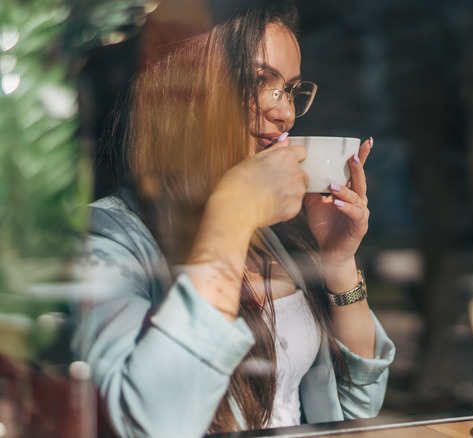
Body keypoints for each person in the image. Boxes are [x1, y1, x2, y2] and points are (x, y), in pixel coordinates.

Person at [71, 1, 395, 436]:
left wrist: (337, 262)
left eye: (291, 90)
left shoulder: (271, 235)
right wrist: (230, 220)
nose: (285, 113)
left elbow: (357, 408)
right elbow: (148, 426)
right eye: (260, 81)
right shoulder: (106, 239)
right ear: (183, 91)